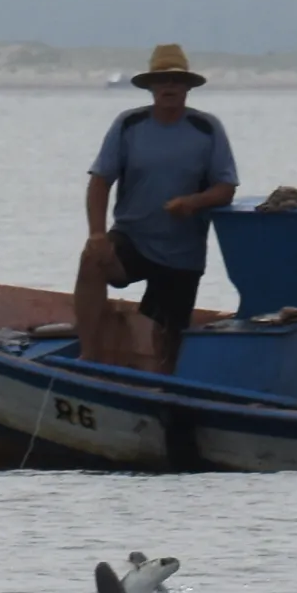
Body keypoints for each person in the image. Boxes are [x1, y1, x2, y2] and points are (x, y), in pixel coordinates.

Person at [75, 44, 239, 372]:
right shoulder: (129, 124)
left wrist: (193, 202)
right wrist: (96, 234)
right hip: (132, 239)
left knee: (169, 346)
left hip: (182, 253)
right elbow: (99, 182)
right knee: (92, 259)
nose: (169, 87)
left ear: (188, 87)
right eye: (162, 81)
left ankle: (164, 390)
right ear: (150, 86)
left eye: (177, 81)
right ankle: (88, 355)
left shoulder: (207, 129)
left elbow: (226, 188)